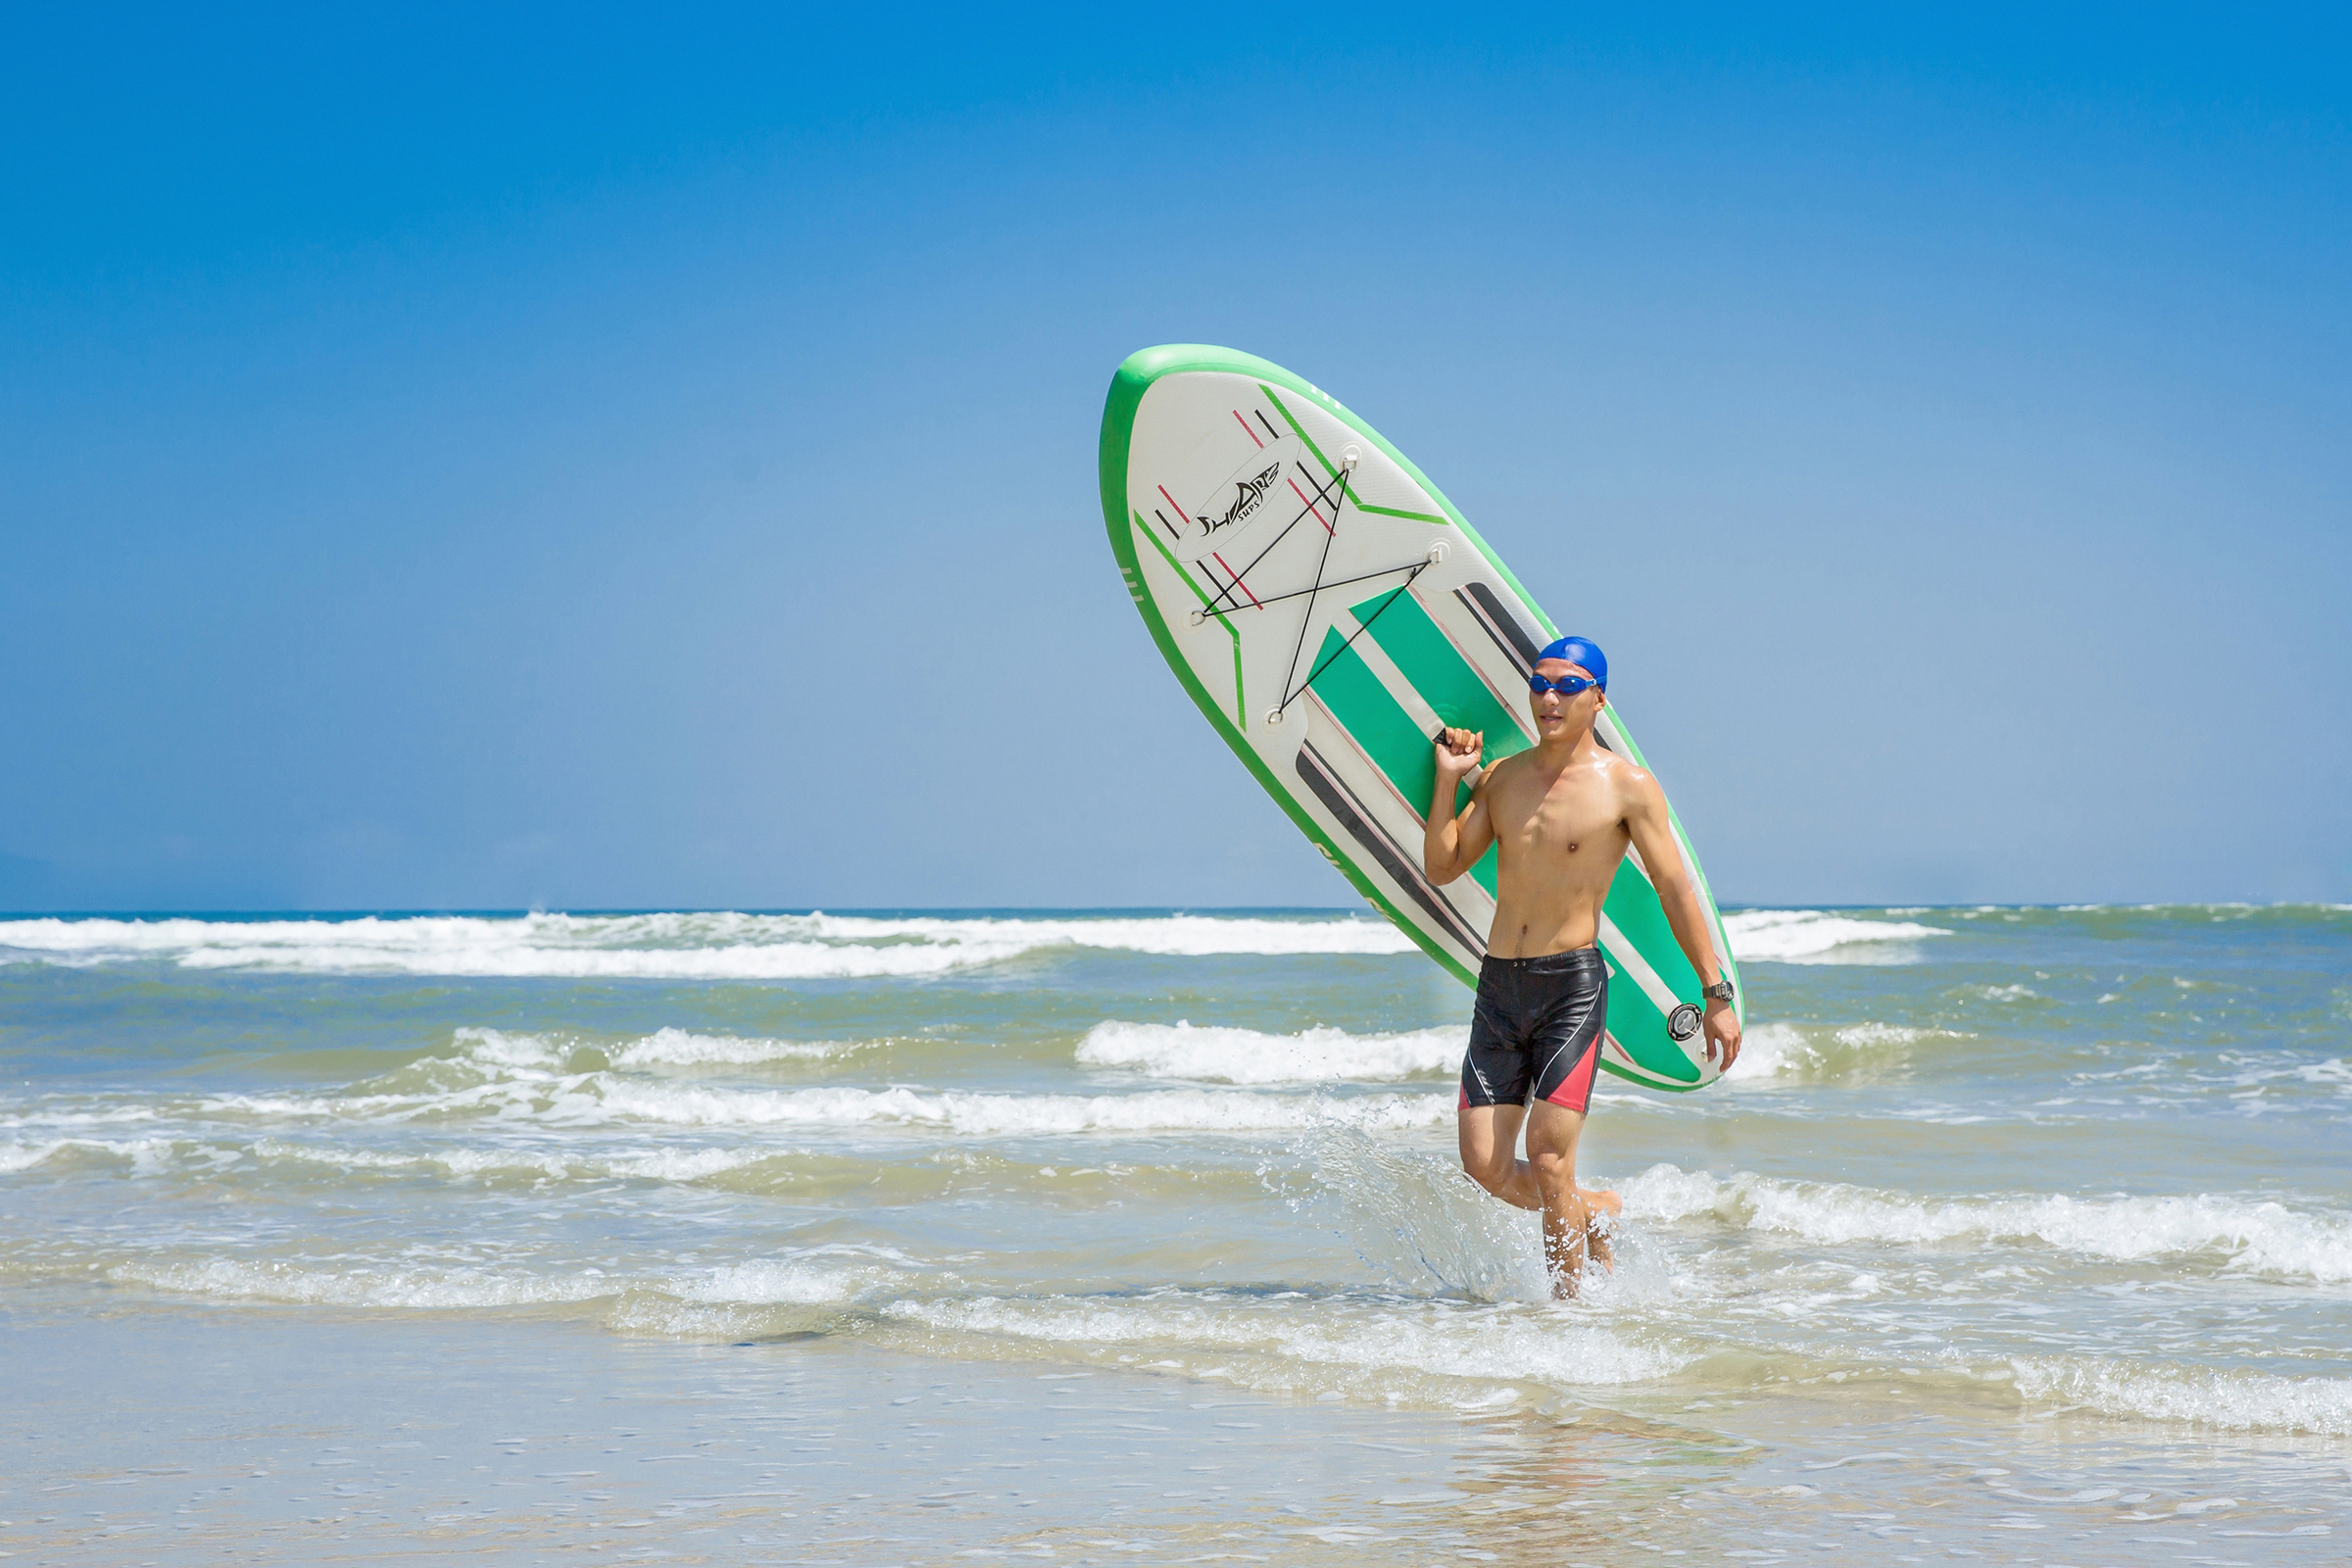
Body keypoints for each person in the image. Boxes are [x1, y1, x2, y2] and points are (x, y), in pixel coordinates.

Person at [1422, 635, 1740, 1298]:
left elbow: (1673, 889)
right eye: (1539, 683)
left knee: (1547, 1160)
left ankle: (1568, 1316)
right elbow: (1443, 866)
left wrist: (1715, 992)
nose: (1549, 698)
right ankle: (1594, 1210)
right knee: (1483, 1167)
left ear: (1599, 699)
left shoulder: (1627, 787)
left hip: (1570, 987)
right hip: (1499, 985)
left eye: (1567, 686)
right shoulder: (1503, 778)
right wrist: (1450, 778)